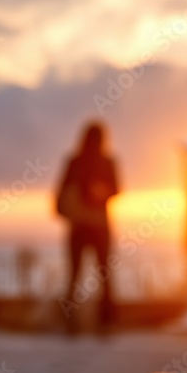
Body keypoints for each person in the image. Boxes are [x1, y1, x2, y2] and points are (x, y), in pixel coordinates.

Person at [56, 122, 120, 334]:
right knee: (81, 276)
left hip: (94, 227)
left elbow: (116, 189)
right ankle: (79, 324)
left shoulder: (104, 162)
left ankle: (103, 323)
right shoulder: (76, 162)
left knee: (99, 275)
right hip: (85, 227)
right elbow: (63, 193)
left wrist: (99, 192)